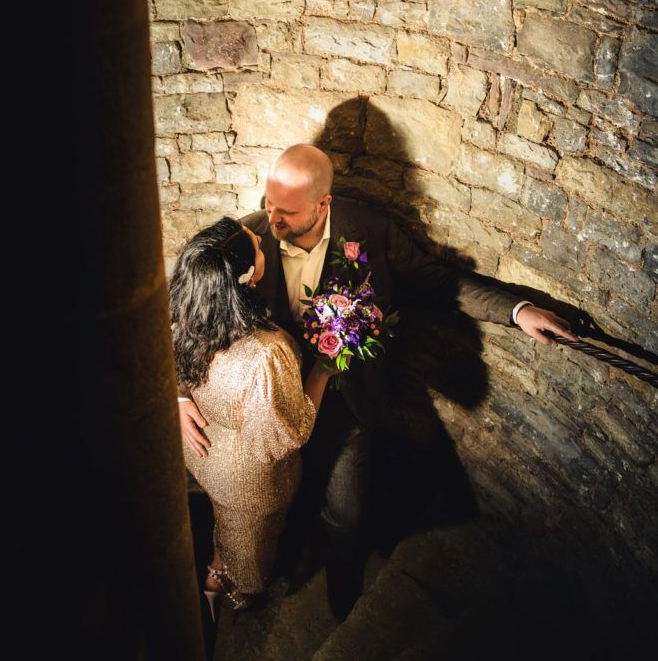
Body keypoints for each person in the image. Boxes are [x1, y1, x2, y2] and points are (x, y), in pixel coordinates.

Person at [178, 147, 578, 619]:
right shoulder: (246, 241)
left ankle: (344, 603)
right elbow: (188, 311)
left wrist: (518, 311)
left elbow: (438, 281)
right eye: (269, 203)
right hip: (268, 416)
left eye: (286, 210)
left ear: (322, 204)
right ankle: (268, 570)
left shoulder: (371, 230)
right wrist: (179, 394)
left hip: (348, 403)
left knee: (346, 514)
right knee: (272, 508)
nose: (272, 218)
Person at [170, 216, 332, 617]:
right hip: (252, 480)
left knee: (225, 522)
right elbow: (288, 433)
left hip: (205, 450)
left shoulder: (190, 305)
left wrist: (179, 399)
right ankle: (227, 582)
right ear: (245, 276)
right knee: (249, 542)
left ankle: (218, 559)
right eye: (256, 247)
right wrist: (323, 370)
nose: (260, 238)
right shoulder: (264, 355)